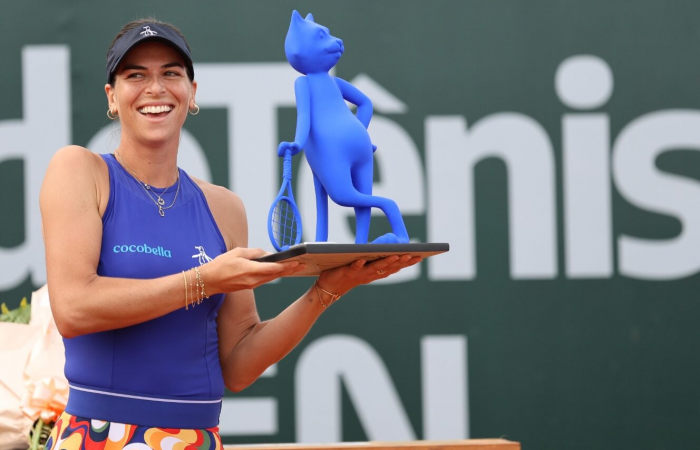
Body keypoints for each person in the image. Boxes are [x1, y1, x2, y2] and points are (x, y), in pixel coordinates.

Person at [39, 18, 421, 449]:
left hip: (198, 439)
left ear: (192, 92)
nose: (155, 88)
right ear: (112, 96)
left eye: (171, 73)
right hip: (100, 436)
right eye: (135, 75)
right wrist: (206, 280)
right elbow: (73, 308)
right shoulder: (78, 170)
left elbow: (238, 364)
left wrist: (327, 290)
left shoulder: (223, 206)